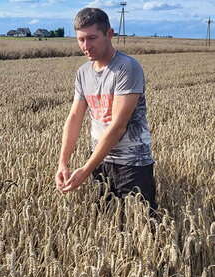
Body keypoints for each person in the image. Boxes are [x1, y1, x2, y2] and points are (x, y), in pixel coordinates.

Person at [55, 7, 157, 213]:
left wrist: (85, 170)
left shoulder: (126, 68)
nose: (86, 46)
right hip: (100, 160)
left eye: (92, 38)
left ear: (109, 34)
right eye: (81, 39)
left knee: (143, 226)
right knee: (108, 223)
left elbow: (118, 126)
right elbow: (74, 117)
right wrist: (63, 163)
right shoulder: (83, 73)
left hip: (132, 163)